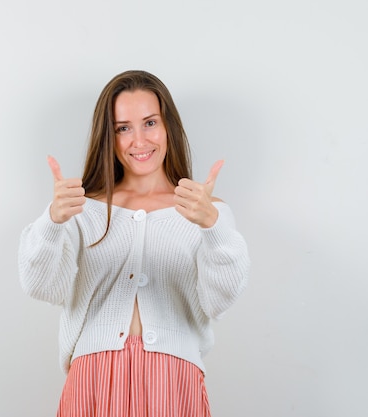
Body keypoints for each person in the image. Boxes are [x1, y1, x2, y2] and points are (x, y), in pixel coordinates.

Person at [18, 70, 250, 417]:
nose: (138, 140)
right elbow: (42, 287)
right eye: (123, 128)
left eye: (150, 123)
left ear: (168, 126)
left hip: (174, 380)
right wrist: (51, 222)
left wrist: (212, 228)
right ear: (108, 137)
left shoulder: (205, 211)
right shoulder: (81, 207)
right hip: (93, 379)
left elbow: (221, 299)